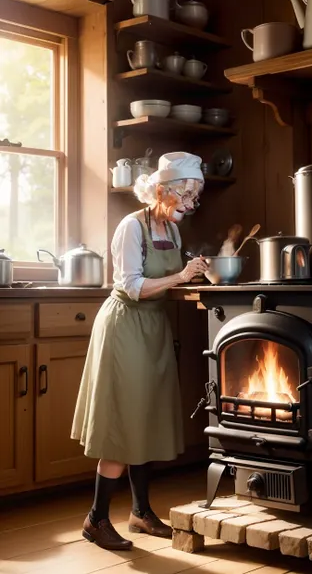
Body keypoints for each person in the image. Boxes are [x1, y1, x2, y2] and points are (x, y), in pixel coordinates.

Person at [71, 151, 208, 551]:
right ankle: (96, 519)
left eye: (195, 195)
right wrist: (181, 276)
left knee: (145, 417)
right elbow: (132, 285)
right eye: (186, 194)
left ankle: (140, 512)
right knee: (123, 423)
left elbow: (167, 282)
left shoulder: (174, 231)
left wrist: (197, 275)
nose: (191, 203)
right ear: (163, 191)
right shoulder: (131, 227)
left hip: (154, 327)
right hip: (125, 325)